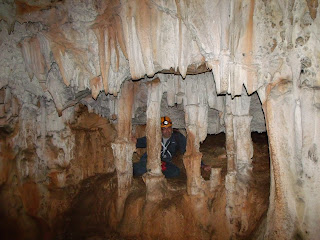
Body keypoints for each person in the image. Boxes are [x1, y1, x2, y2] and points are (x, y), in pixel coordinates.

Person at [132, 116, 211, 178]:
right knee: (139, 169)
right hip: (150, 160)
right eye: (164, 129)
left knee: (175, 172)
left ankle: (153, 173)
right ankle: (144, 170)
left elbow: (188, 150)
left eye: (169, 128)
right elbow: (141, 142)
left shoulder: (177, 137)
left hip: (164, 162)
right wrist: (134, 140)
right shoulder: (154, 136)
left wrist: (202, 165)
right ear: (160, 130)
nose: (167, 131)